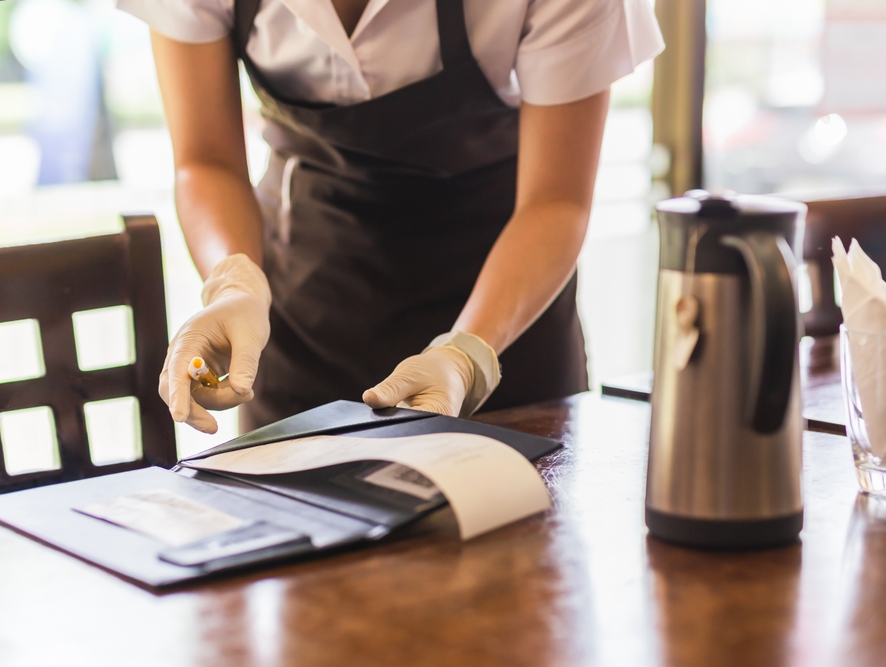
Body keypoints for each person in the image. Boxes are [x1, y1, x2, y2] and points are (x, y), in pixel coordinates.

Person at [118, 0, 663, 433]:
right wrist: (234, 283)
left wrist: (466, 354)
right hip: (300, 323)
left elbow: (556, 200)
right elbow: (206, 161)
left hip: (504, 328)